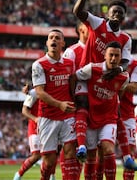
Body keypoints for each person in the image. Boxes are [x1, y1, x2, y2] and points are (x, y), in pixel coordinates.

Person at [72, 0, 137, 172]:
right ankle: (80, 145)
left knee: (114, 113)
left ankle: (126, 155)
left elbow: (126, 62)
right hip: (88, 75)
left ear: (124, 18)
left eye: (121, 13)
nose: (117, 14)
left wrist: (118, 70)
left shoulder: (126, 38)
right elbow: (77, 12)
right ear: (107, 13)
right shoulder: (97, 23)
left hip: (105, 81)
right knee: (82, 106)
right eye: (114, 11)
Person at [72, 41, 129, 179]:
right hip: (91, 117)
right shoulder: (92, 69)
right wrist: (74, 99)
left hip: (108, 118)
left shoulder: (124, 77)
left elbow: (119, 93)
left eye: (117, 55)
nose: (113, 59)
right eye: (111, 55)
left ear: (121, 57)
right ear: (105, 55)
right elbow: (74, 77)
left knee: (108, 149)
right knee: (91, 155)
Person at [31, 29, 80, 180]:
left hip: (67, 115)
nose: (54, 40)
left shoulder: (70, 63)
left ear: (62, 43)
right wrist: (59, 104)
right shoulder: (39, 64)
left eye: (57, 38)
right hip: (48, 117)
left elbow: (72, 86)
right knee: (49, 161)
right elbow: (39, 92)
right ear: (47, 43)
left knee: (70, 152)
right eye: (51, 38)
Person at [97, 58, 137, 180]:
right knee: (102, 152)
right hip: (106, 112)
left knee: (130, 151)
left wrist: (113, 82)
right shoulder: (106, 60)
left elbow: (133, 87)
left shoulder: (136, 64)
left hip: (127, 114)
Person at [13, 85, 57, 180]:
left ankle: (52, 176)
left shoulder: (53, 90)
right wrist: (35, 119)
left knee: (52, 154)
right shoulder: (34, 93)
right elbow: (24, 110)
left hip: (49, 128)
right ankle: (18, 175)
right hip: (35, 128)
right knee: (36, 156)